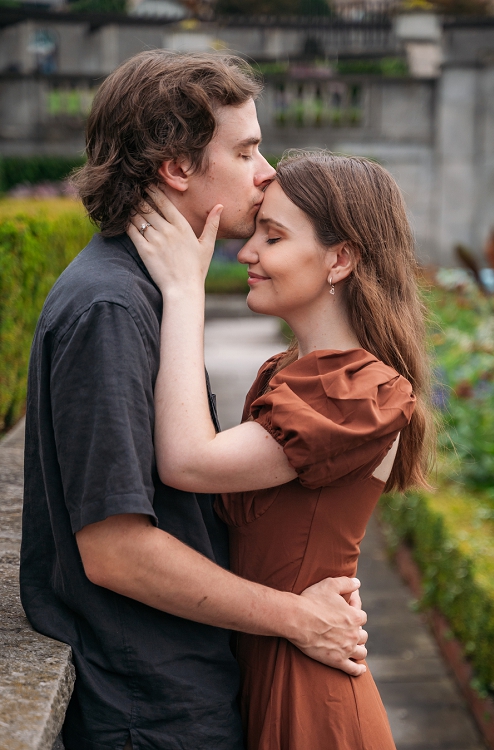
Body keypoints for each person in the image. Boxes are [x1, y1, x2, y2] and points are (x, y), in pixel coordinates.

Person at [20, 52, 368, 750]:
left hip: (173, 693)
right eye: (244, 151)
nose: (267, 169)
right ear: (177, 168)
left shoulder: (141, 291)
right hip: (150, 711)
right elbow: (116, 551)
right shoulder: (112, 308)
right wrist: (296, 616)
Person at [128, 151, 433, 750]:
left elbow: (189, 461)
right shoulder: (285, 374)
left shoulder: (360, 391)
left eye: (273, 236)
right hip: (269, 665)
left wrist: (184, 291)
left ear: (340, 259)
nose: (247, 252)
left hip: (311, 699)